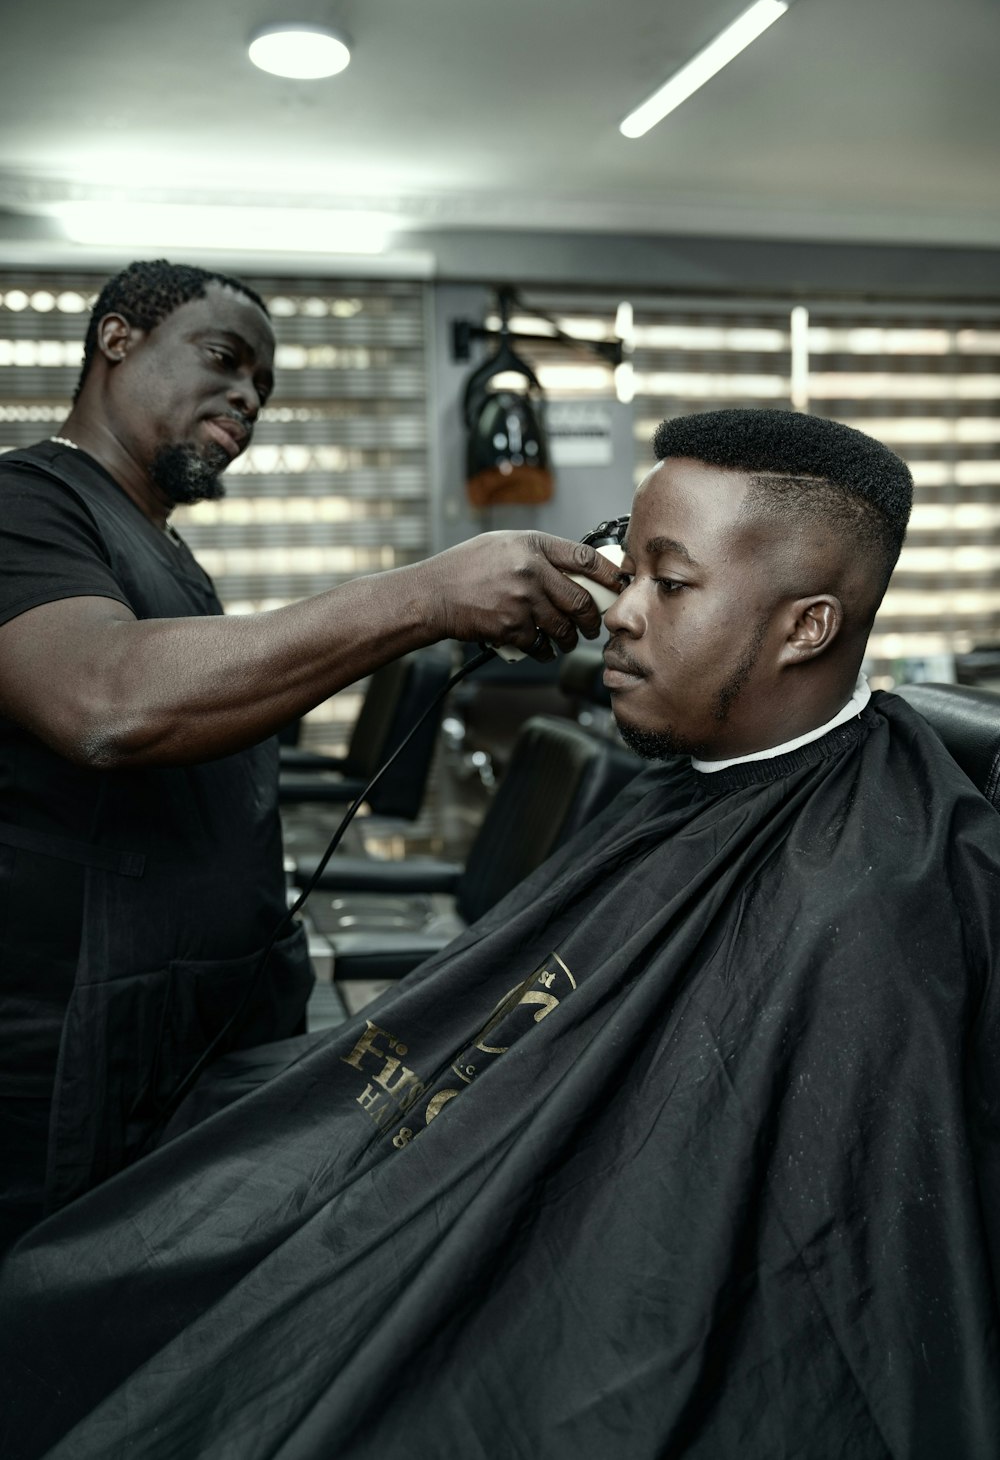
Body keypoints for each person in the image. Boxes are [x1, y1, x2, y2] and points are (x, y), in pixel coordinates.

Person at [3, 407, 1000, 1460]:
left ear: (806, 627)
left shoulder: (874, 901)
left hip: (566, 1349)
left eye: (670, 582)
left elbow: (804, 1287)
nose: (618, 612)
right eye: (626, 569)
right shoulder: (684, 801)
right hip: (451, 1221)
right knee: (71, 1289)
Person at [0, 259, 624, 1249]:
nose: (249, 396)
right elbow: (104, 701)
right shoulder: (26, 504)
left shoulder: (165, 554)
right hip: (71, 1056)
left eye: (265, 386)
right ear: (115, 339)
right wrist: (424, 597)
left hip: (201, 1024)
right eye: (224, 358)